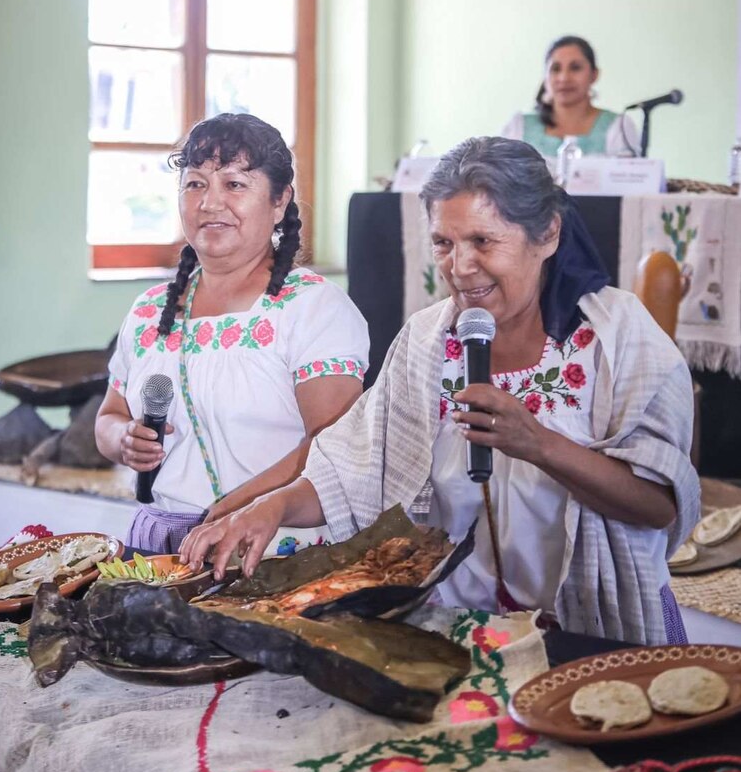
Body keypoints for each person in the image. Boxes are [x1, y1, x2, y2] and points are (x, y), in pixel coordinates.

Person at [181, 137, 701, 645]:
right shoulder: (428, 341)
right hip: (460, 631)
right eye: (443, 243)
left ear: (546, 235)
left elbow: (659, 507)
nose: (460, 267)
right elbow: (350, 472)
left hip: (591, 633)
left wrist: (539, 443)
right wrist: (269, 508)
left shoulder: (615, 336)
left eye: (483, 241)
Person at [95, 113, 369, 553]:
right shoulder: (149, 310)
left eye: (235, 185)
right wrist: (124, 440)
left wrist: (235, 510)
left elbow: (335, 447)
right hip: (158, 548)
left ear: (280, 201)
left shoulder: (313, 307)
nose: (210, 202)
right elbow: (108, 417)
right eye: (195, 183)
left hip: (270, 550)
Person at [502, 36, 639, 157]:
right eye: (555, 69)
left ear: (594, 74)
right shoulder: (518, 129)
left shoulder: (618, 128)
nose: (564, 78)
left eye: (575, 68)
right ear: (545, 77)